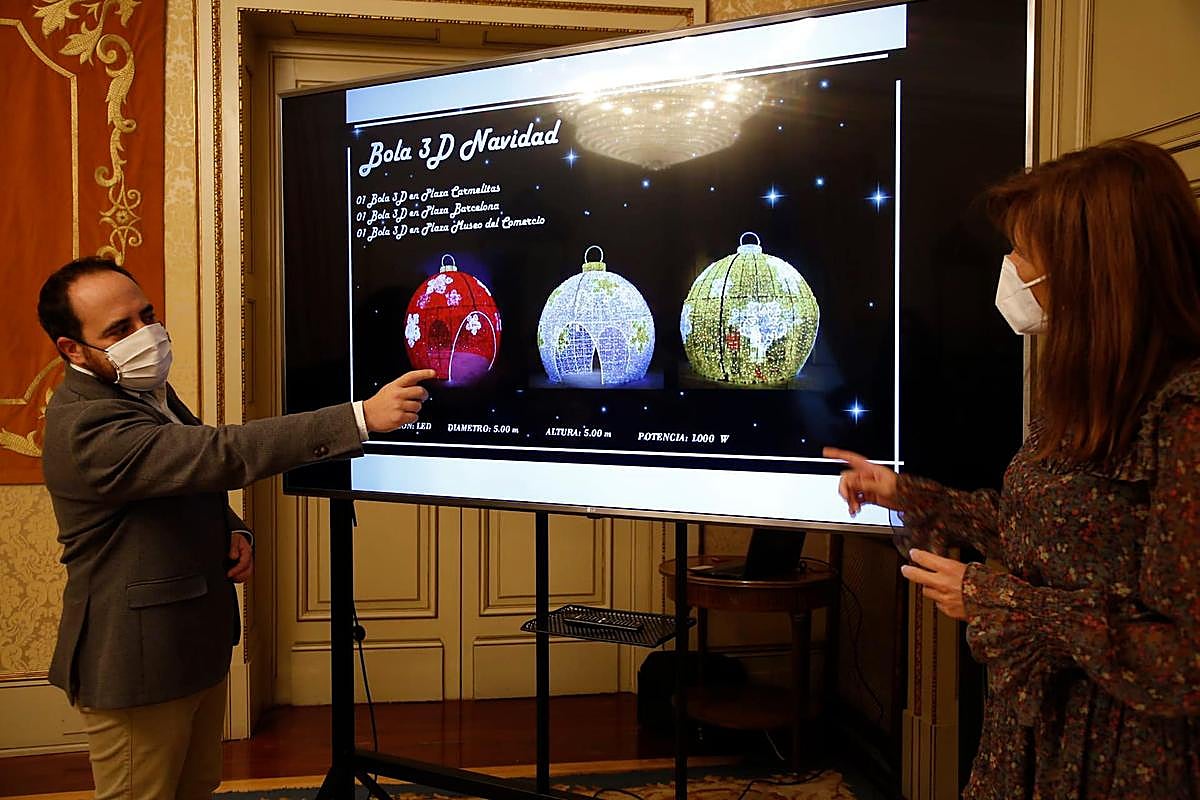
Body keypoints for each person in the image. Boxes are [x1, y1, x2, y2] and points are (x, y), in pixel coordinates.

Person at [826, 139, 1200, 798]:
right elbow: (1051, 536)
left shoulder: (1187, 417)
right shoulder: (1087, 395)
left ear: (1092, 272)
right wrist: (911, 495)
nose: (1012, 270)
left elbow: (1185, 660)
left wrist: (1003, 602)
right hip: (1036, 733)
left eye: (1026, 253)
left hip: (1120, 760)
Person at [36, 257, 435, 800]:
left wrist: (233, 528)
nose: (145, 335)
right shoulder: (85, 424)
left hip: (190, 647)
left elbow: (179, 473)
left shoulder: (139, 389)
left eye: (145, 314)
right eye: (119, 329)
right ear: (72, 349)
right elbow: (219, 452)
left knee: (196, 785)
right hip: (137, 663)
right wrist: (359, 418)